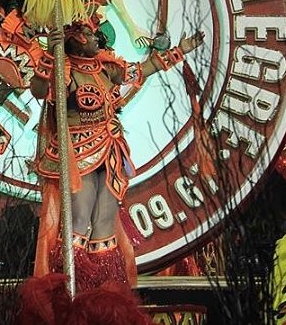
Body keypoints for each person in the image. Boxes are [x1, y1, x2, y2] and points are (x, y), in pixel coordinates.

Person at [30, 21, 203, 290]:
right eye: (88, 34)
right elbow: (39, 91)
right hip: (79, 154)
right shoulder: (63, 69)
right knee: (80, 217)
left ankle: (107, 292)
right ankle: (71, 289)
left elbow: (144, 70)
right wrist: (52, 55)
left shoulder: (106, 68)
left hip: (109, 151)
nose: (95, 38)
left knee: (104, 221)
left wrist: (181, 50)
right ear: (74, 40)